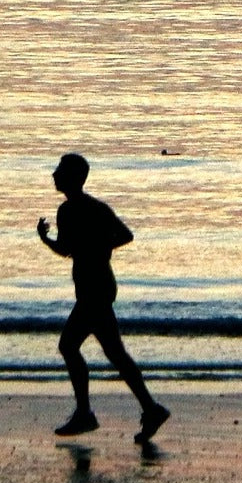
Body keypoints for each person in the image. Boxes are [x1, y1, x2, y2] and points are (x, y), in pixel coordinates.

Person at [37, 152, 170, 444]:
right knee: (114, 353)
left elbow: (125, 235)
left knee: (69, 345)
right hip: (92, 288)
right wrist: (47, 240)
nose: (54, 175)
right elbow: (68, 249)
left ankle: (86, 413)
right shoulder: (71, 210)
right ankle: (150, 409)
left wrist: (95, 246)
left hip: (96, 289)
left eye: (59, 170)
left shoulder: (86, 209)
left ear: (73, 177)